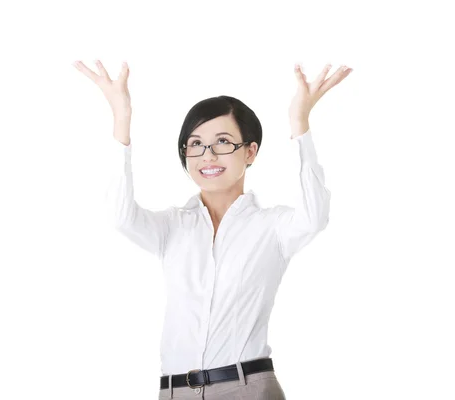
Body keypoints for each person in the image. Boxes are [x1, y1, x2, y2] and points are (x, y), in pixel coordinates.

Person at [73, 59, 352, 399]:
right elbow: (120, 216)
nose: (207, 155)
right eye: (195, 144)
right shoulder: (172, 227)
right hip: (176, 391)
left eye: (223, 141)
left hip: (246, 387)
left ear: (250, 152)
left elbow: (315, 215)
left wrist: (300, 124)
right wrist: (122, 118)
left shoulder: (273, 228)